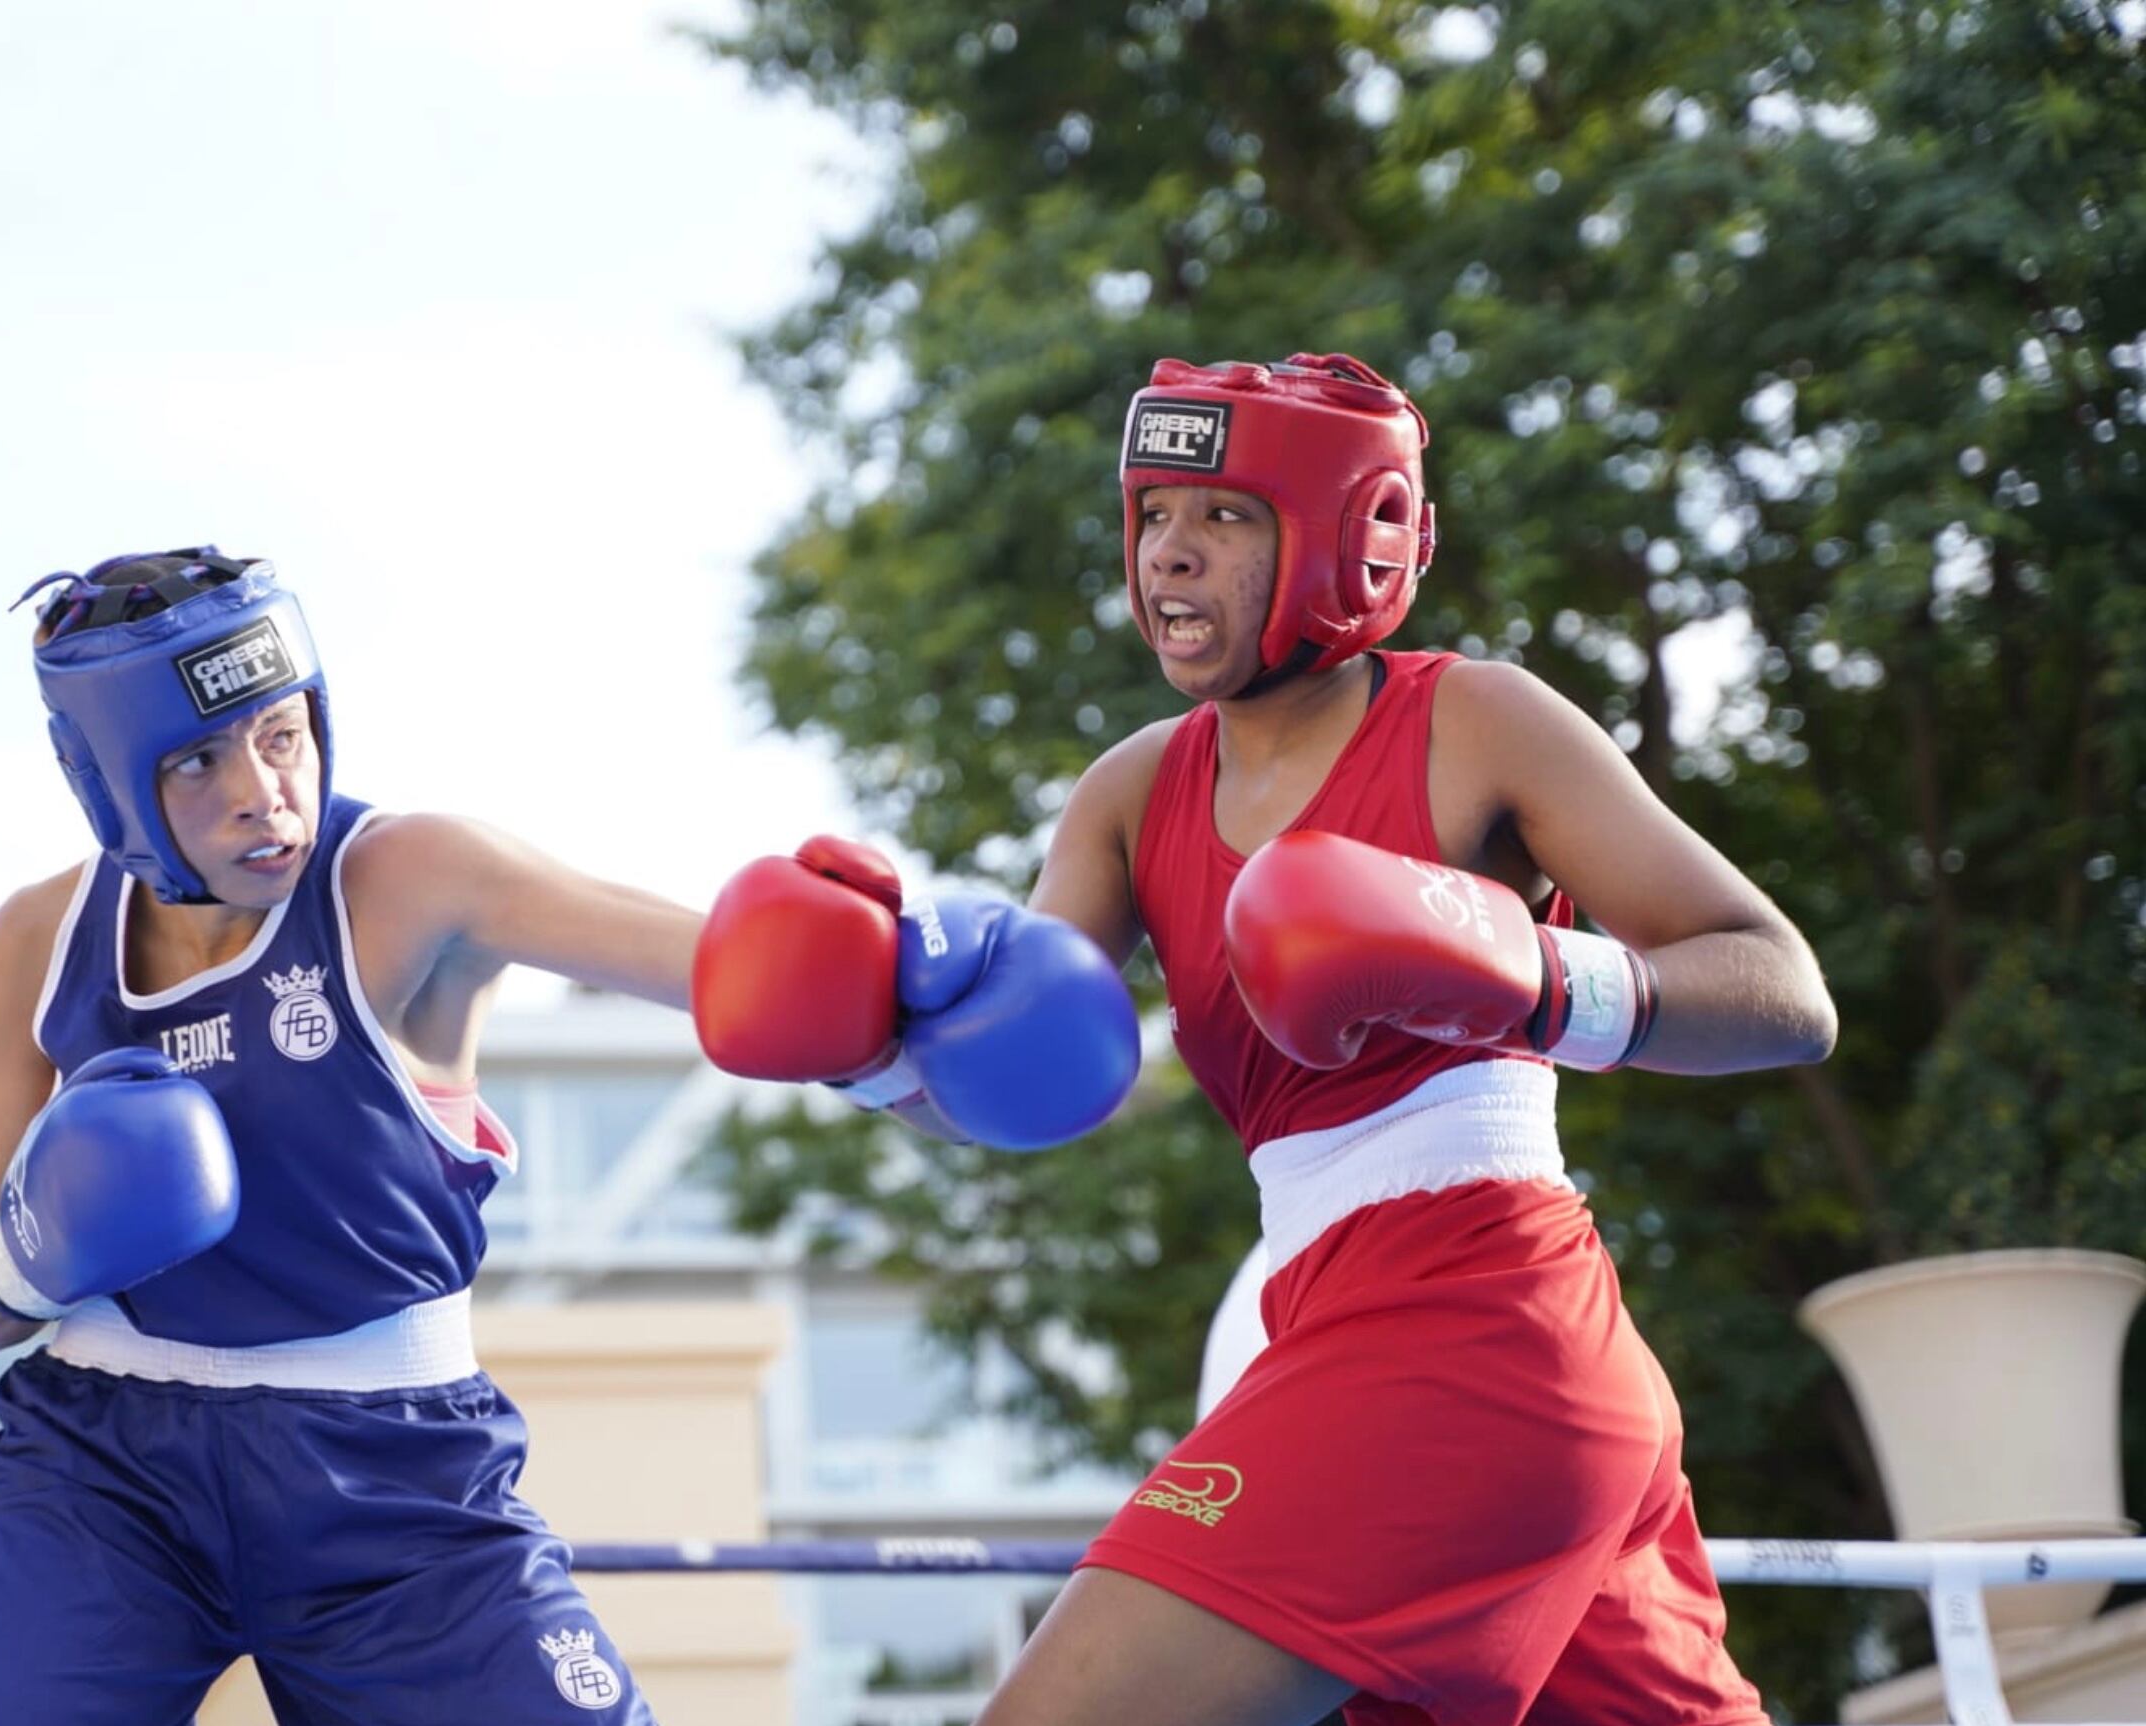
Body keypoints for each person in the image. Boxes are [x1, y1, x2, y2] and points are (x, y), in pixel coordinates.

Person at [701, 357, 1837, 1726]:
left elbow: (1781, 987)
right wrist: (868, 1040)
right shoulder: (1131, 791)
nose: (1169, 551)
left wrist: (1529, 973)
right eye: (1154, 512)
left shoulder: (1473, 721)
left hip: (1484, 1320)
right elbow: (1024, 1079)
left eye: (1226, 514)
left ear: (1349, 535)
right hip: (1343, 1319)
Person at [0, 547, 1139, 1725]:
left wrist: (894, 1042)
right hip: (102, 1477)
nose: (262, 795)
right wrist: (40, 1242)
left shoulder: (408, 877)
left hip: (390, 1481)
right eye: (197, 765)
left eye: (282, 736)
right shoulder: (38, 944)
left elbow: (729, 975)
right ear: (109, 784)